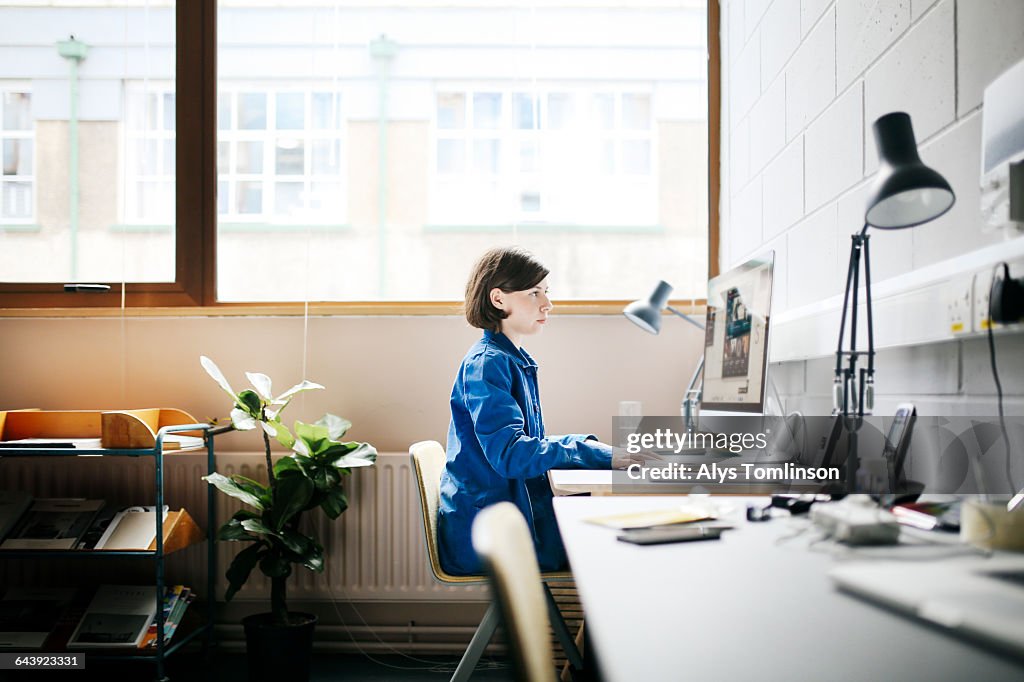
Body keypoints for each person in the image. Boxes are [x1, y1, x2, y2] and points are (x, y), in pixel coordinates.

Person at [438, 246, 614, 575]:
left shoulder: (509, 359)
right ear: (499, 299)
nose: (547, 303)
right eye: (534, 293)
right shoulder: (488, 364)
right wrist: (590, 452)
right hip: (489, 536)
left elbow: (525, 444)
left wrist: (589, 446)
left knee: (608, 533)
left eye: (546, 292)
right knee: (611, 543)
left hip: (508, 517)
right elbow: (511, 454)